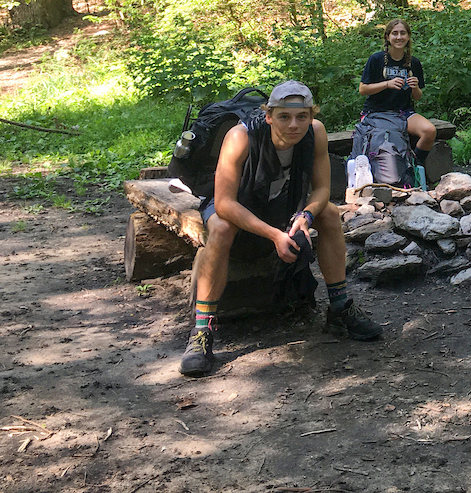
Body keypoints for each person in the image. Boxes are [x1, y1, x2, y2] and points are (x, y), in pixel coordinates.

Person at [180, 81, 383, 378]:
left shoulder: (316, 133)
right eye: (285, 117)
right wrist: (274, 234)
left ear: (310, 116)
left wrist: (306, 216)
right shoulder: (241, 137)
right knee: (222, 229)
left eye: (302, 117)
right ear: (269, 116)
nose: (294, 125)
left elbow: (323, 189)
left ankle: (340, 308)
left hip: (284, 201)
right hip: (238, 202)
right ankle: (202, 331)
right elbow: (224, 203)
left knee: (327, 212)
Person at [358, 19, 437, 175]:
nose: (399, 37)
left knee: (430, 131)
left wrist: (414, 87)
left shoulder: (413, 63)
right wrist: (387, 84)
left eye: (403, 33)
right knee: (390, 137)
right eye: (395, 33)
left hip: (403, 113)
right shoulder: (376, 59)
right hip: (377, 113)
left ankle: (413, 168)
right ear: (388, 37)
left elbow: (417, 97)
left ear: (408, 37)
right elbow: (363, 89)